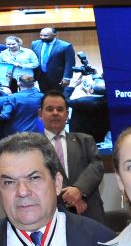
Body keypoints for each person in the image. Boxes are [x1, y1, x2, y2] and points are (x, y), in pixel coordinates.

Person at [39, 90, 105, 224]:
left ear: (67, 114)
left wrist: (79, 189)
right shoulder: (32, 146)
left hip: (89, 214)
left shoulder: (85, 140)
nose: (55, 113)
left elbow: (96, 166)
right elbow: (36, 177)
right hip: (52, 216)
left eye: (60, 109)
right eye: (50, 109)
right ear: (40, 114)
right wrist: (71, 196)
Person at [34, 27, 75, 92]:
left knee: (58, 96)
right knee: (45, 96)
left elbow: (70, 63)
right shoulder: (35, 44)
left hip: (58, 77)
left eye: (45, 36)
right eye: (41, 35)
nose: (42, 37)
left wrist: (67, 77)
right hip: (41, 76)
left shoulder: (65, 46)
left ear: (54, 35)